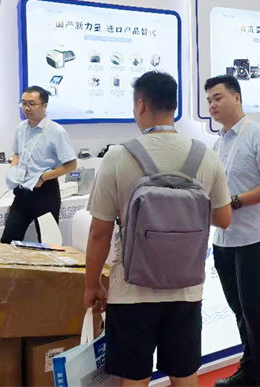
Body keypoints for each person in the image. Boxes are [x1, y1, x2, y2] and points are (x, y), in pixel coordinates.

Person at [84, 71, 232, 386]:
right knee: (184, 375)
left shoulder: (118, 157)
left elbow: (99, 232)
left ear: (140, 104)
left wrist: (92, 284)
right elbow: (223, 219)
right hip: (186, 291)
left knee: (134, 378)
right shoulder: (205, 155)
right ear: (173, 106)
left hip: (131, 292)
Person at [204, 74, 260, 387]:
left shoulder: (258, 135)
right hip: (224, 237)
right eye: (209, 100)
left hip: (254, 236)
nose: (212, 105)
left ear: (236, 97)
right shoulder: (219, 143)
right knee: (238, 310)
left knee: (253, 309)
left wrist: (236, 202)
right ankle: (250, 369)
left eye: (218, 97)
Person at [1, 86, 77, 244]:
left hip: (45, 191)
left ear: (44, 105)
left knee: (48, 242)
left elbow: (71, 165)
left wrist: (43, 178)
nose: (27, 108)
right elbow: (17, 153)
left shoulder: (56, 131)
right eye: (24, 104)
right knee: (8, 240)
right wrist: (13, 170)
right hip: (23, 190)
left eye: (31, 104)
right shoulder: (21, 128)